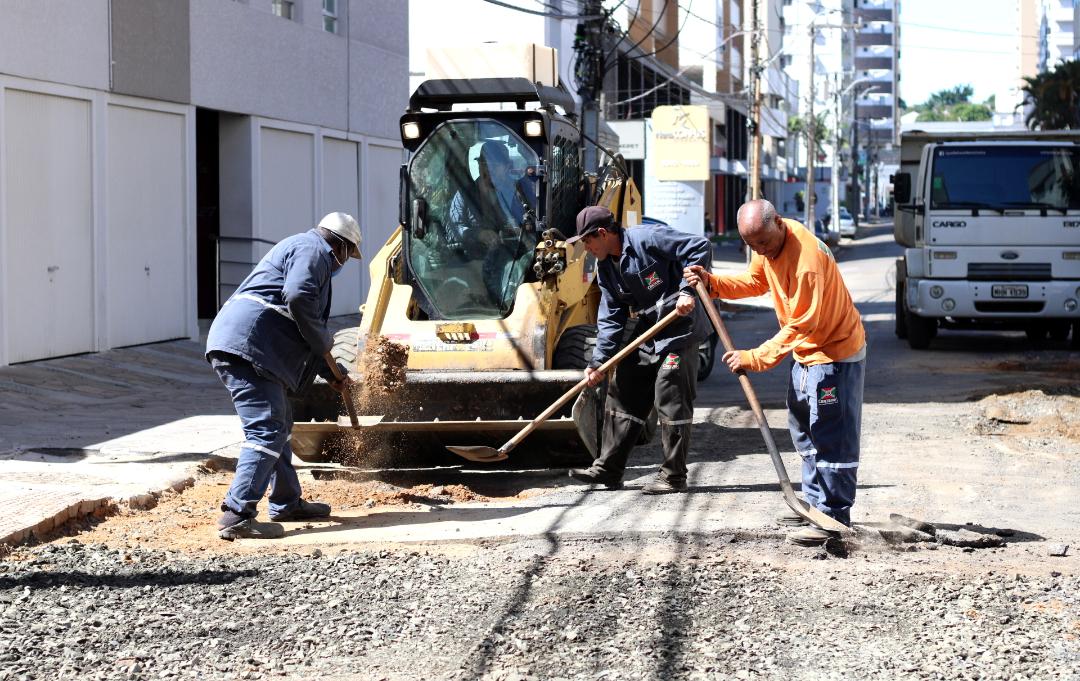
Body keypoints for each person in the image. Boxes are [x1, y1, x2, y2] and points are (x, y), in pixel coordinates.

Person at [684, 199, 866, 547]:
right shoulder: (765, 247)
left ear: (779, 223)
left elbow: (802, 323)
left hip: (834, 354)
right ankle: (814, 503)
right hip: (805, 354)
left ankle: (834, 515)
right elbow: (755, 281)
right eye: (753, 246)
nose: (761, 251)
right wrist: (713, 282)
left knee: (832, 435)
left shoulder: (806, 261)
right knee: (804, 431)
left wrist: (755, 357)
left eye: (764, 243)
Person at [205, 212, 361, 540]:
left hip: (256, 348)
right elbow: (299, 298)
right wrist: (325, 342)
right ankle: (237, 514)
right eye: (349, 255)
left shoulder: (305, 250)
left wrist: (333, 373)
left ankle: (286, 501)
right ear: (342, 246)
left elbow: (300, 327)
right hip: (250, 348)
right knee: (267, 429)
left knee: (281, 426)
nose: (344, 263)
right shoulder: (313, 250)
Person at [567, 206, 713, 494]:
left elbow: (699, 246)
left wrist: (687, 291)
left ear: (603, 233)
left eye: (587, 241)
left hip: (680, 329)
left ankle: (673, 476)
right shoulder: (607, 268)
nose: (586, 247)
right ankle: (608, 469)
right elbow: (611, 319)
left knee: (669, 392)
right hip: (650, 331)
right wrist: (599, 362)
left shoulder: (648, 238)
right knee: (624, 388)